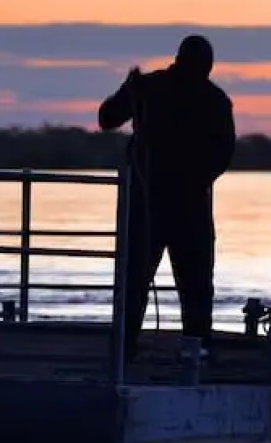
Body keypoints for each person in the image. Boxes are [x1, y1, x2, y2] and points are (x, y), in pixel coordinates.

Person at [98, 34, 236, 364]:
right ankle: (133, 347)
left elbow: (222, 154)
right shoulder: (151, 89)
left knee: (190, 283)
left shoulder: (209, 99)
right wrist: (128, 93)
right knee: (146, 281)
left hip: (179, 203)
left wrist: (197, 180)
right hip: (154, 200)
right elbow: (108, 118)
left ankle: (189, 347)